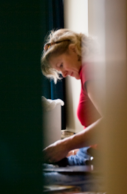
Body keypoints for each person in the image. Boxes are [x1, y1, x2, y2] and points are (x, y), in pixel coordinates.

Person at [41, 29, 102, 166]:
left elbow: (111, 121)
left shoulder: (88, 69)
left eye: (61, 65)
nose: (63, 74)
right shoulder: (90, 70)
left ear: (73, 49)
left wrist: (65, 145)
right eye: (59, 71)